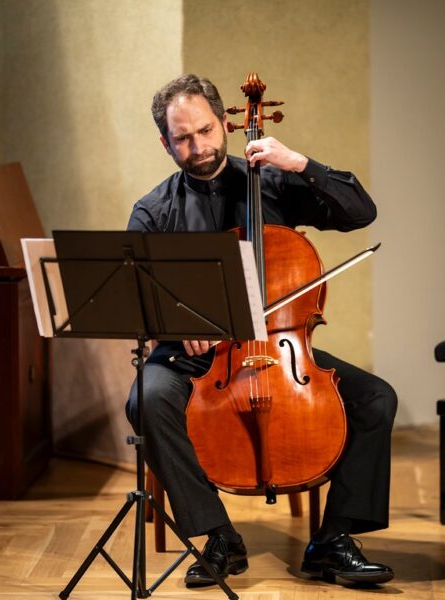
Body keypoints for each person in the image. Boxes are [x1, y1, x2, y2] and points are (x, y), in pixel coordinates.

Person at [126, 74, 398, 588]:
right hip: (193, 357)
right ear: (165, 143)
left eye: (205, 131)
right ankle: (219, 536)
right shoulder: (154, 211)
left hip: (280, 348)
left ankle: (333, 540)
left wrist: (298, 163)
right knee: (147, 397)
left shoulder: (270, 181)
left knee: (376, 398)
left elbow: (361, 212)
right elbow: (138, 298)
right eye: (182, 138)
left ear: (225, 124)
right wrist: (177, 323)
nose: (198, 147)